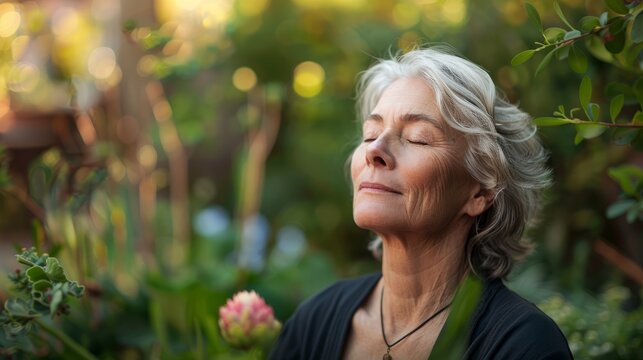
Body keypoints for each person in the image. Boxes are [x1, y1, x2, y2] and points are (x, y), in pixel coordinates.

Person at [269, 47, 573, 360]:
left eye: (417, 138)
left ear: (480, 193)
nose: (376, 149)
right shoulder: (313, 323)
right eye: (370, 133)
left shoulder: (524, 346)